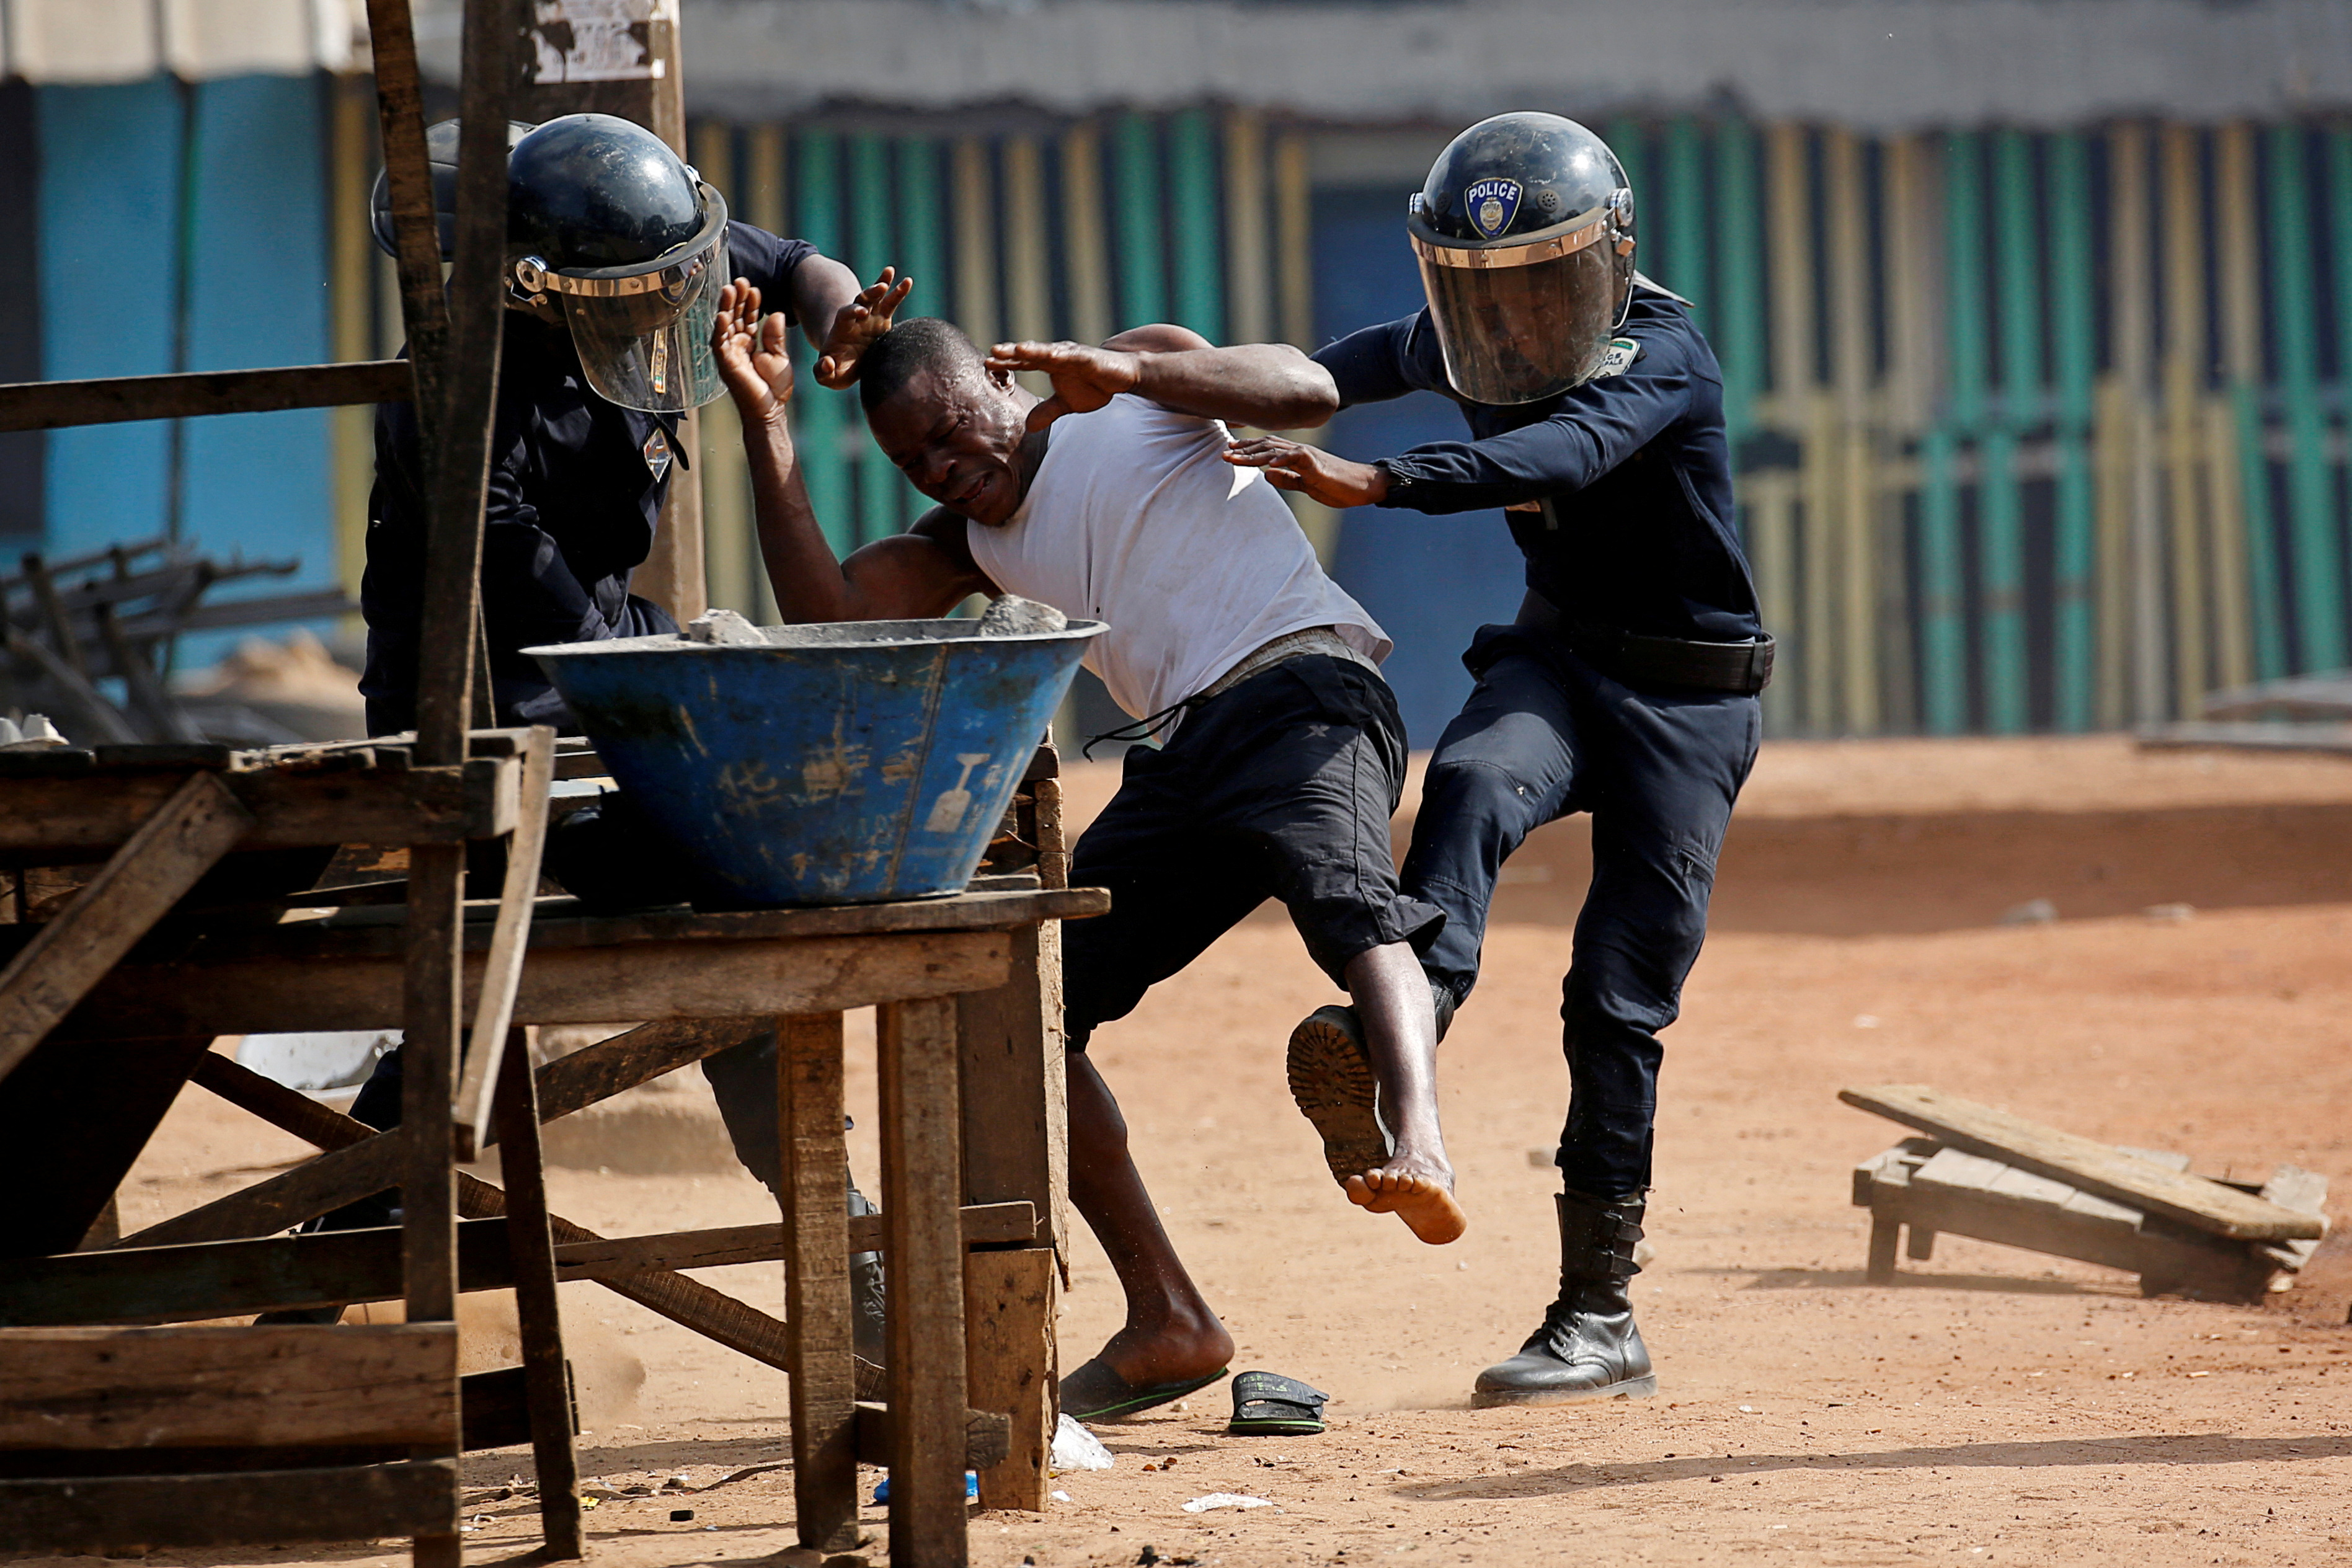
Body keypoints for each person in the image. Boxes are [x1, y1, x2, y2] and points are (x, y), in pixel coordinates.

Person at [708, 281, 1464, 1421]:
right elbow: (830, 616)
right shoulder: (969, 543)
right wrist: (767, 428)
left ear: (1000, 385)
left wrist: (1133, 374)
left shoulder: (1131, 386)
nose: (951, 472)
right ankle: (1171, 1315)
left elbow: (1306, 390)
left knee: (1350, 906)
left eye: (957, 436)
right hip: (1182, 757)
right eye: (921, 465)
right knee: (1024, 1009)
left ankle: (1421, 1143)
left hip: (1306, 686)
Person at [305, 117, 903, 1360]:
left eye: (660, 292)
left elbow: (788, 261)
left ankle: (830, 1217)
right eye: (624, 306)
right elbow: (536, 599)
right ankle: (304, 1289)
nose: (654, 317)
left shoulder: (634, 225)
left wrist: (845, 330)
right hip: (485, 707)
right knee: (475, 1004)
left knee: (731, 905)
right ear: (535, 287)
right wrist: (668, 697)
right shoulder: (460, 391)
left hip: (609, 665)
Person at [1226, 112, 1772, 1407]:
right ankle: (1398, 1031)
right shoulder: (1472, 341)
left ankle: (1597, 1316)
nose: (1513, 321)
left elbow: (1558, 451)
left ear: (1602, 260)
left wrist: (1380, 481)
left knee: (1617, 1003)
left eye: (1539, 286)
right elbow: (1334, 367)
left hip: (1686, 704)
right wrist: (1161, 402)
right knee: (1471, 777)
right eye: (1485, 295)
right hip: (1559, 659)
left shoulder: (1662, 351)